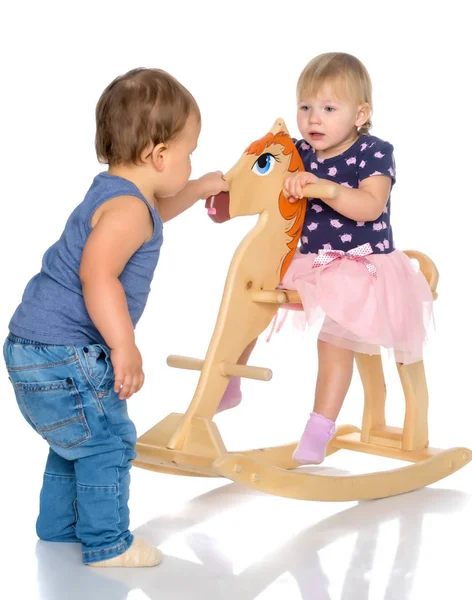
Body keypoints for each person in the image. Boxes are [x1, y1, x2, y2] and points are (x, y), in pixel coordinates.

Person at [3, 67, 228, 567]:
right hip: (67, 350)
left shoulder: (119, 192)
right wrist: (124, 345)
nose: (190, 162)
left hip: (34, 346)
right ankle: (107, 543)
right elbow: (98, 276)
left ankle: (61, 526)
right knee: (107, 441)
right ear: (158, 153)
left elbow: (155, 214)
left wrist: (196, 188)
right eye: (189, 152)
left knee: (75, 439)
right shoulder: (128, 210)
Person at [217, 53, 433, 466]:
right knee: (251, 296)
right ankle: (231, 378)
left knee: (332, 341)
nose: (314, 118)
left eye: (329, 109)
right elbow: (262, 175)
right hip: (312, 262)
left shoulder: (373, 152)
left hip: (361, 268)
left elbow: (370, 207)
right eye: (305, 107)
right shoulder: (299, 151)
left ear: (360, 114)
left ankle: (319, 429)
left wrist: (326, 189)